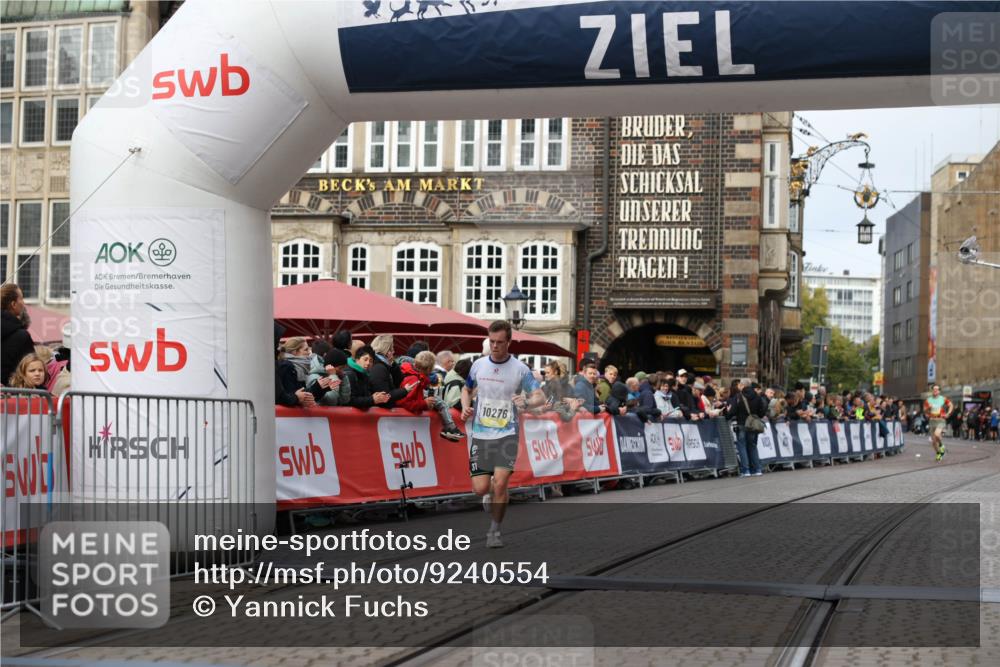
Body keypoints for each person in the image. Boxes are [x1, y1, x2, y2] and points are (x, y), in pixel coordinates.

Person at [461, 320, 545, 548]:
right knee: (480, 488)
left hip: (507, 434)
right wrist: (465, 406)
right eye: (492, 342)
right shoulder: (478, 365)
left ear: (509, 342)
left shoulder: (520, 369)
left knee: (500, 484)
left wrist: (526, 402)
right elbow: (466, 389)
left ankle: (494, 531)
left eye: (499, 342)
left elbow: (539, 397)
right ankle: (492, 493)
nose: (495, 346)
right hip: (481, 434)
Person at [398, 350, 465, 441]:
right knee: (440, 403)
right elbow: (404, 402)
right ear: (429, 369)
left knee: (439, 402)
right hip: (407, 425)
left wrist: (425, 402)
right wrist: (424, 403)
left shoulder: (415, 375)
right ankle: (450, 428)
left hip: (409, 426)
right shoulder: (413, 378)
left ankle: (450, 428)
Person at [2, 284, 36, 386]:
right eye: (21, 298)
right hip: (11, 392)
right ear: (13, 304)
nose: (23, 303)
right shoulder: (22, 336)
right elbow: (31, 367)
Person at [733, 378, 767, 477]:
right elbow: (762, 411)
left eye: (740, 385)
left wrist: (727, 415)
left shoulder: (739, 396)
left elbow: (732, 411)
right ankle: (757, 469)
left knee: (742, 446)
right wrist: (756, 416)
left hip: (742, 423)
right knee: (752, 446)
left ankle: (746, 470)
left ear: (742, 385)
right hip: (752, 424)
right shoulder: (757, 396)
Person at [369, 335, 407, 407]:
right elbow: (385, 397)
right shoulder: (379, 368)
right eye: (392, 348)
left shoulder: (381, 364)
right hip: (381, 411)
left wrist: (393, 364)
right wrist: (405, 390)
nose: (394, 351)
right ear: (386, 350)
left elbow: (399, 381)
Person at [923, 384, 953, 461]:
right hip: (932, 420)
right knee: (933, 442)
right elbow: (925, 410)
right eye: (934, 389)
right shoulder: (928, 400)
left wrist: (948, 413)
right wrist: (928, 408)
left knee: (937, 434)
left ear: (939, 391)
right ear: (932, 391)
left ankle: (941, 445)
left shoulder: (943, 399)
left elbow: (951, 405)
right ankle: (939, 453)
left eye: (937, 389)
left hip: (940, 420)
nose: (935, 391)